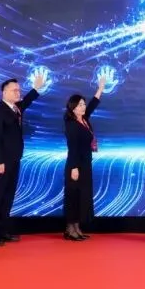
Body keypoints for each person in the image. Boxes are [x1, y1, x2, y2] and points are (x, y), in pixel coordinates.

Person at [0, 73, 45, 246]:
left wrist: (36, 88)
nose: (18, 92)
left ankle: (3, 231)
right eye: (14, 90)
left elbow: (26, 102)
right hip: (1, 162)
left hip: (14, 160)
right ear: (4, 92)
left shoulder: (15, 108)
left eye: (19, 90)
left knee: (8, 196)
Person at [63, 76, 106, 241]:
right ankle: (70, 229)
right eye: (80, 104)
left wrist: (100, 89)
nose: (83, 106)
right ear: (73, 108)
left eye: (83, 104)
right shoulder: (71, 124)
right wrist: (74, 167)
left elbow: (93, 104)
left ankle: (77, 228)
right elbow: (72, 147)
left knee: (81, 196)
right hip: (76, 165)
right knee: (73, 196)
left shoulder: (84, 119)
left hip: (85, 163)